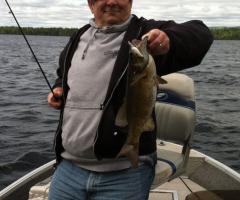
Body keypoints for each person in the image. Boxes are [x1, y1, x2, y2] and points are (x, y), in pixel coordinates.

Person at [47, 0, 213, 199]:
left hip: (125, 174)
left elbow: (201, 35)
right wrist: (59, 88)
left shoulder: (145, 34)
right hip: (69, 168)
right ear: (91, 4)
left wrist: (169, 39)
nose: (112, 2)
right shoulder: (79, 36)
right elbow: (64, 73)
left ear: (131, 2)